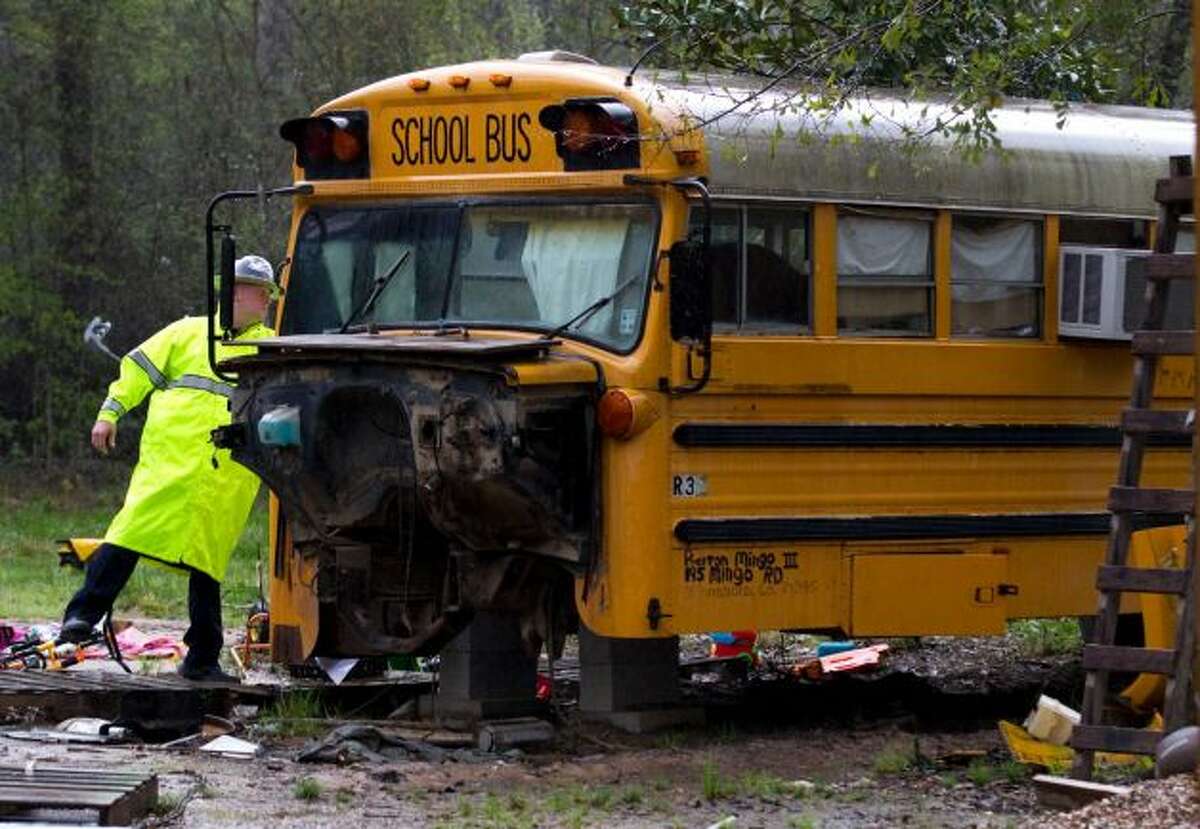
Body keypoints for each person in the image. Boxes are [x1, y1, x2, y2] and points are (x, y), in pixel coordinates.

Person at [59, 255, 277, 682]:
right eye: (261, 291)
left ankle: (201, 660)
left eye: (270, 293)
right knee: (130, 532)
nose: (267, 300)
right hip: (169, 462)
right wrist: (110, 412)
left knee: (207, 563)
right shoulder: (185, 333)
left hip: (224, 476)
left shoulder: (270, 348)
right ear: (234, 292)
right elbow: (136, 370)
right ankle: (81, 619)